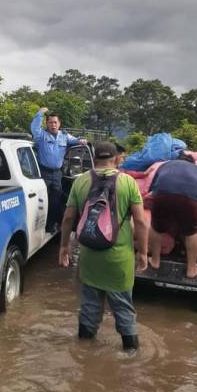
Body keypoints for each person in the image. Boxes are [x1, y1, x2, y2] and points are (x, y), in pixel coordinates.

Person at [59, 141, 148, 352]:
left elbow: (68, 218)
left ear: (94, 157)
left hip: (90, 255)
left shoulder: (80, 181)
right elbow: (142, 222)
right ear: (116, 158)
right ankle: (130, 354)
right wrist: (143, 252)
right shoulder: (128, 182)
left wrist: (64, 246)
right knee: (123, 307)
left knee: (89, 305)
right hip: (119, 258)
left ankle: (83, 350)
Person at [147, 152, 197, 279]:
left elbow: (151, 189)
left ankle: (155, 261)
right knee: (192, 232)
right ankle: (191, 269)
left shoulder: (164, 165)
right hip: (191, 200)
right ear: (192, 163)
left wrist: (152, 206)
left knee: (156, 228)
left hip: (162, 195)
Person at [31, 107, 87, 232]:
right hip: (43, 172)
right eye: (50, 122)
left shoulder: (64, 136)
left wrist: (82, 141)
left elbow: (76, 141)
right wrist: (40, 113)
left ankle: (52, 225)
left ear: (59, 124)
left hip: (57, 173)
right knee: (41, 200)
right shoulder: (41, 136)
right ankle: (41, 225)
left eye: (55, 122)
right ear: (47, 124)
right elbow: (34, 128)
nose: (53, 125)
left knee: (56, 201)